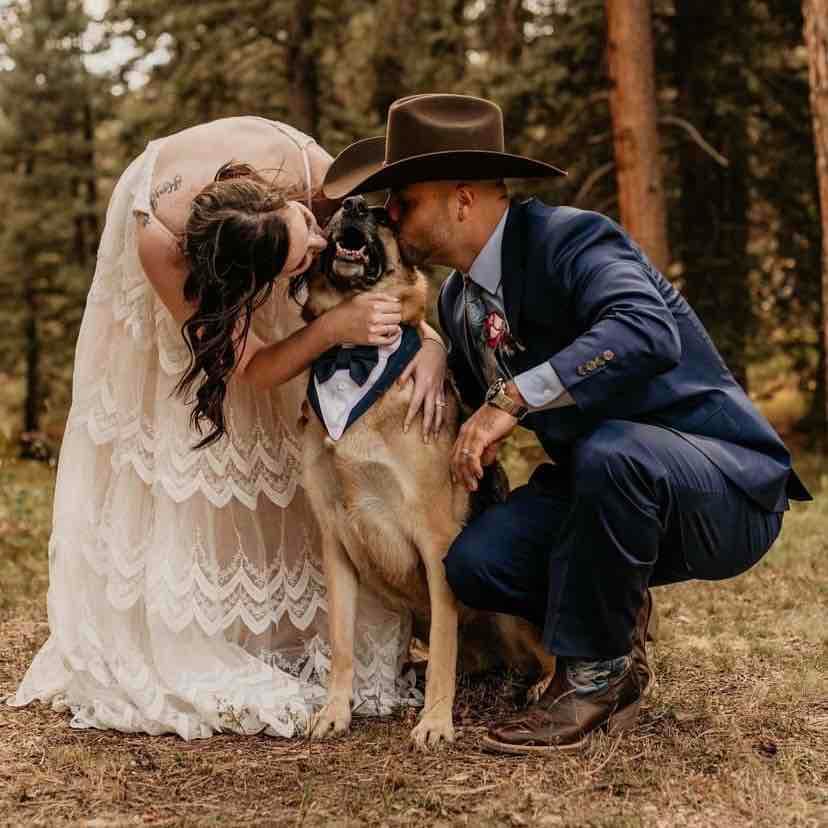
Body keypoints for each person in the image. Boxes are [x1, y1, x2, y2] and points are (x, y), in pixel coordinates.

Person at [323, 94, 811, 753]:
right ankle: (619, 614)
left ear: (461, 198)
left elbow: (645, 329)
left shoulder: (570, 239)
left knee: (614, 454)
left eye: (405, 201)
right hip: (601, 490)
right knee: (475, 562)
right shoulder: (461, 302)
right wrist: (435, 350)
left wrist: (512, 399)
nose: (393, 218)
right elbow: (475, 403)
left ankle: (593, 675)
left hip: (721, 483)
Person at [9, 116, 448, 739]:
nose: (320, 252)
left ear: (287, 202)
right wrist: (328, 329)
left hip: (256, 219)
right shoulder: (161, 245)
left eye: (308, 237)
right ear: (242, 281)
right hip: (193, 258)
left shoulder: (312, 174)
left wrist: (428, 344)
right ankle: (222, 628)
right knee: (202, 451)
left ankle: (307, 633)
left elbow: (391, 274)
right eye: (303, 258)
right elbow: (250, 367)